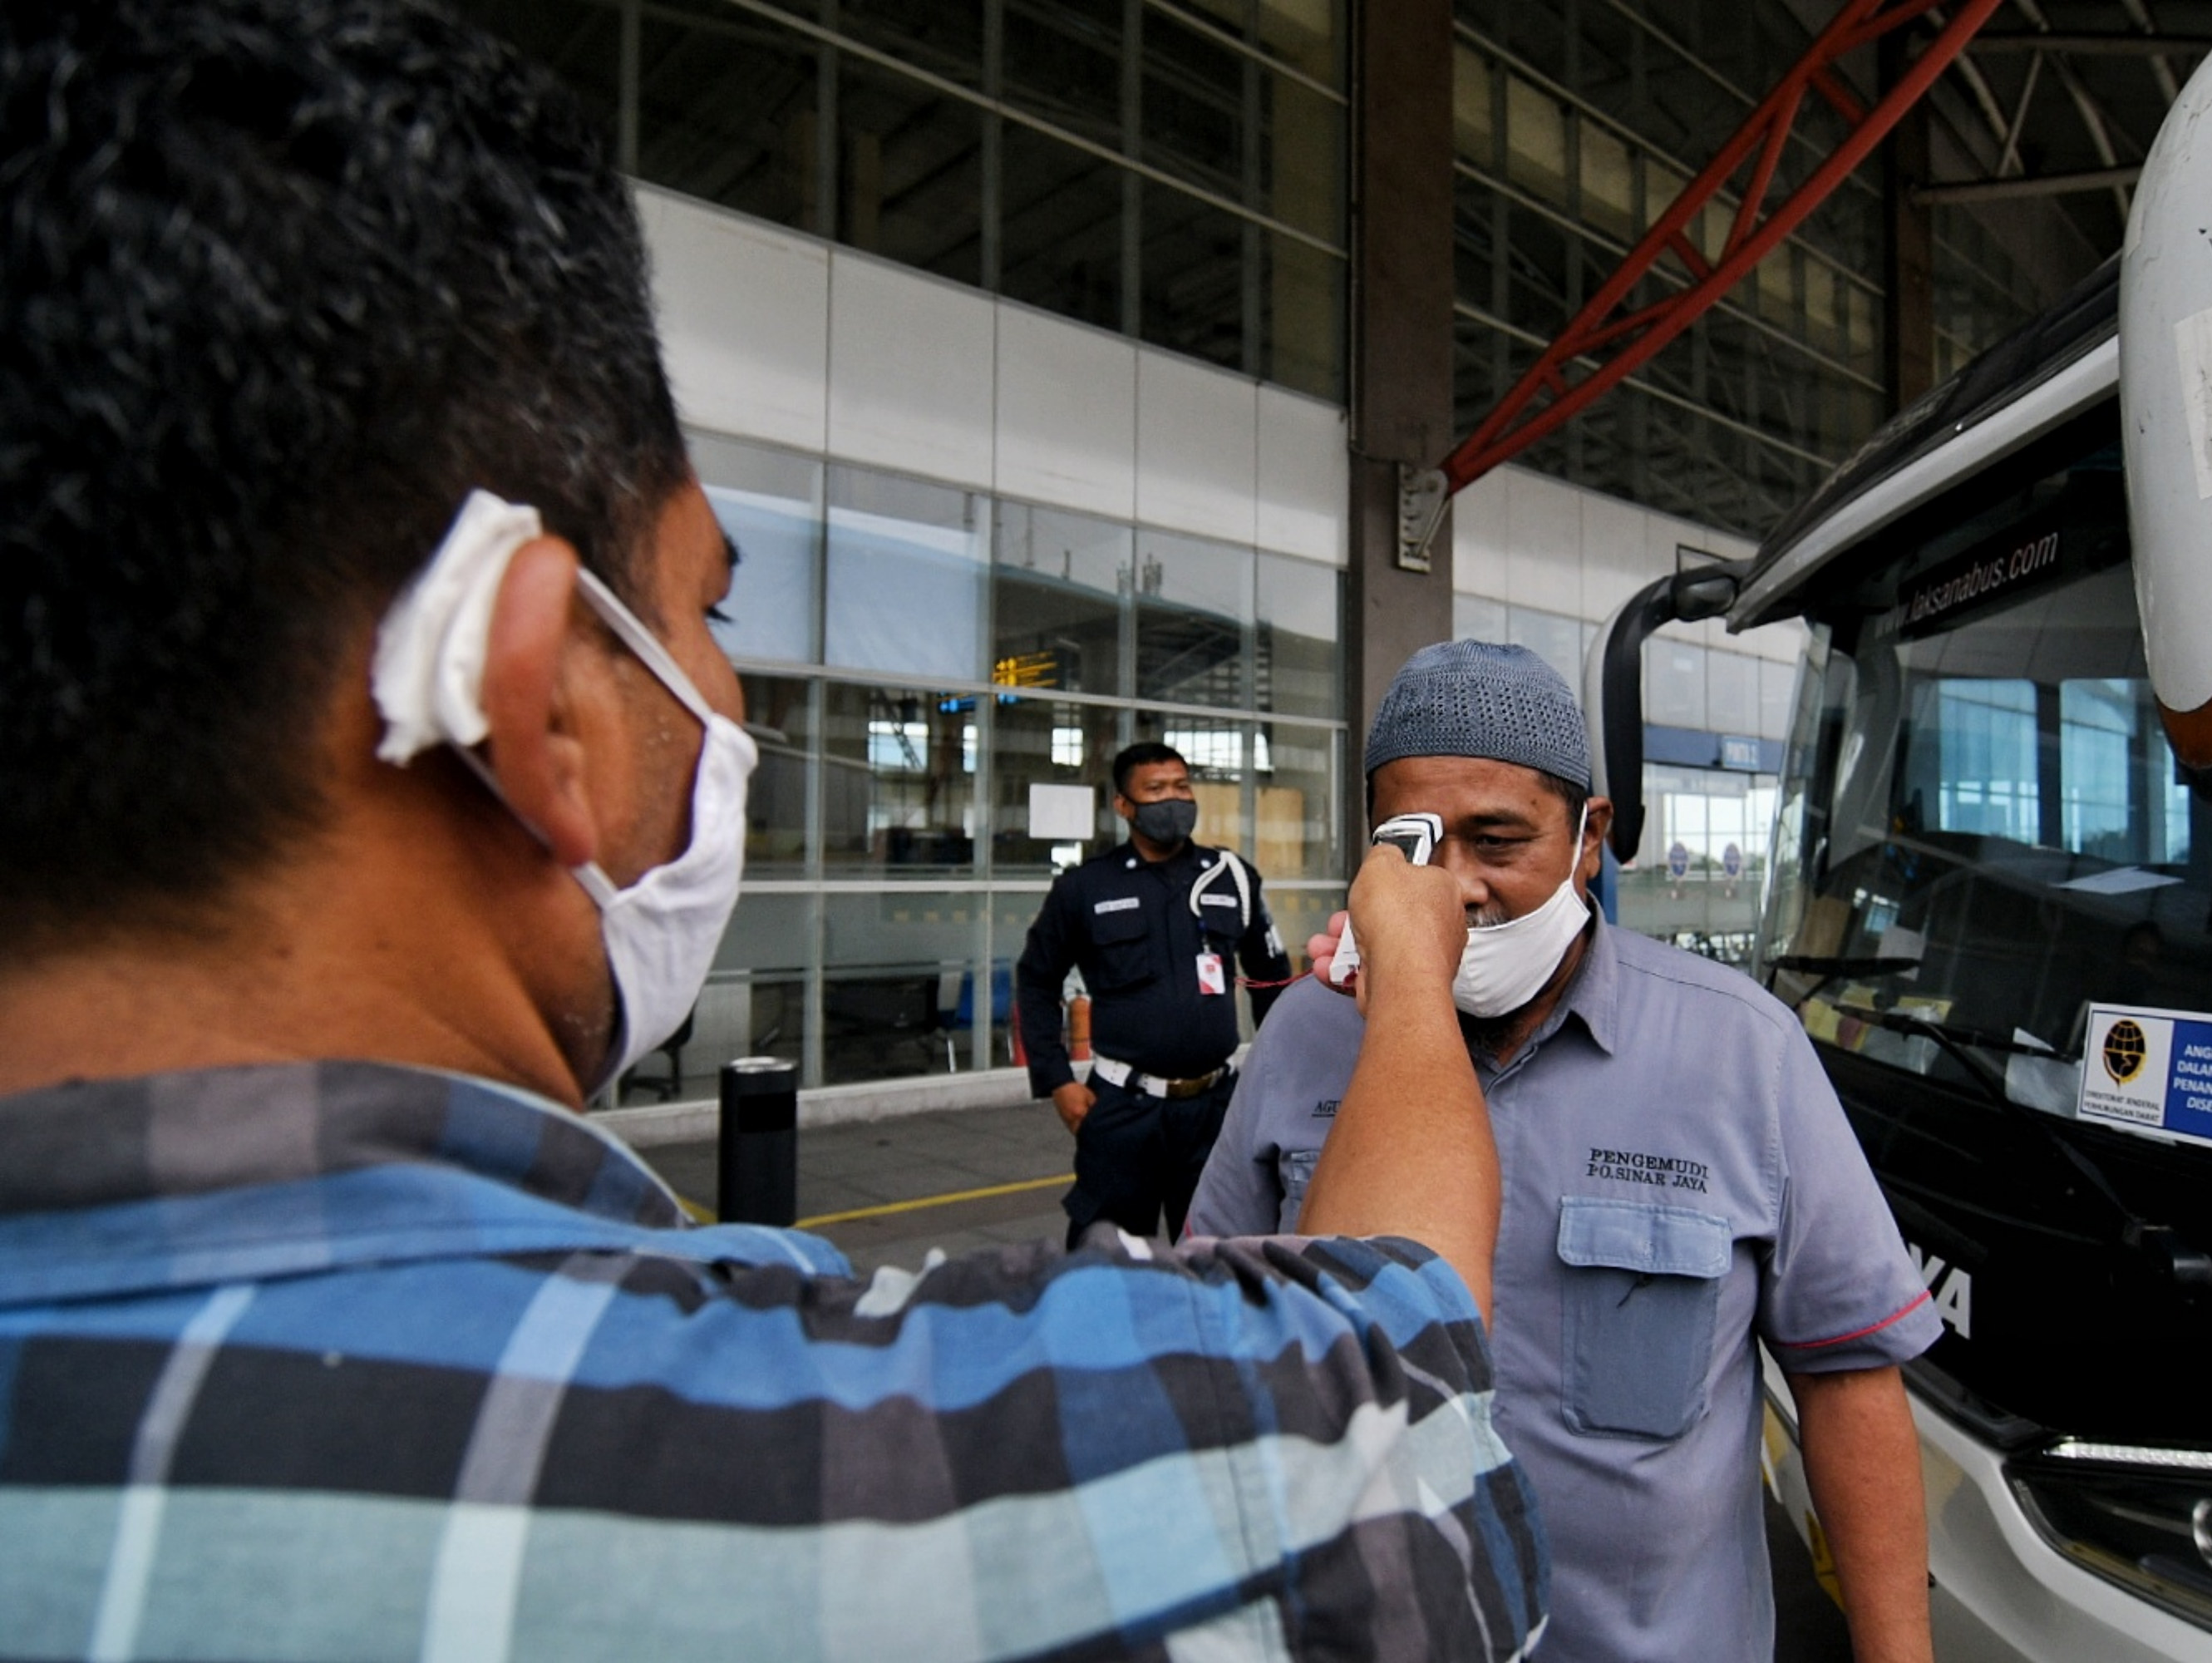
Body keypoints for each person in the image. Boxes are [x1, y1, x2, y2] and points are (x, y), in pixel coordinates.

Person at [0, 7, 1547, 1658]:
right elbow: (1397, 1381)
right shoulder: (847, 1449)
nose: (730, 696)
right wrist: (1394, 963)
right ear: (538, 705)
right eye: (706, 606)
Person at [1191, 640, 1943, 1663]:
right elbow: (1205, 1331)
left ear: (1592, 838)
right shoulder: (1303, 1037)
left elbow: (1847, 1377)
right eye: (1411, 846)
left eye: (1499, 841)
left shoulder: (1741, 1053)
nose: (1453, 889)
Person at [1017, 742, 1293, 1246]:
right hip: (1123, 1108)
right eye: (1156, 789)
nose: (1174, 799)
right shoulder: (1085, 888)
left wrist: (1277, 1085)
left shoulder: (1230, 876)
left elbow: (1271, 982)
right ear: (1123, 805)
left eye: (1182, 786)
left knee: (1226, 1255)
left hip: (1216, 1111)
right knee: (1108, 1263)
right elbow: (1037, 981)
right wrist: (1057, 1080)